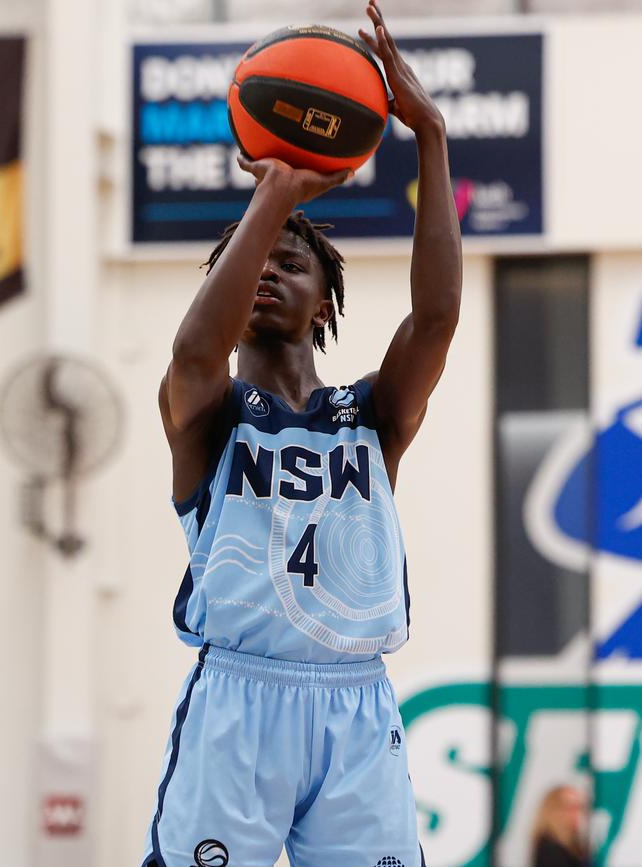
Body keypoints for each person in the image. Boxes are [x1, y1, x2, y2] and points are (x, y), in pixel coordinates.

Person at [142, 2, 462, 865]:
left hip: (356, 705)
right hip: (238, 703)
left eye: (293, 260)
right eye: (253, 260)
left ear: (326, 301)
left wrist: (428, 133)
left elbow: (434, 317)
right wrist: (275, 188)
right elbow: (190, 348)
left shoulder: (372, 417)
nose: (269, 268)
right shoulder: (208, 416)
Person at [531, 786, 590, 867]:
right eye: (570, 807)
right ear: (553, 810)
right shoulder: (550, 849)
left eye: (580, 807)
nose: (577, 813)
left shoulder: (573, 845)